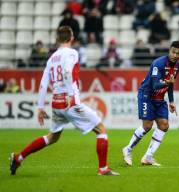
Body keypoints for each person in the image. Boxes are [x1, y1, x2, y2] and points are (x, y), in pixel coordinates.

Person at [9, 26, 119, 176]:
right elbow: (67, 71)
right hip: (70, 102)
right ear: (71, 38)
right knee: (101, 129)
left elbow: (43, 83)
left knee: (52, 137)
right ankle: (103, 168)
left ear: (57, 39)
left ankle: (18, 157)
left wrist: (40, 107)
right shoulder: (72, 53)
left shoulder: (52, 58)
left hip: (56, 104)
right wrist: (69, 94)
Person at [122, 41, 179, 166]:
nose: (175, 55)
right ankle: (127, 150)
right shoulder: (158, 64)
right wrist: (168, 82)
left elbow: (170, 84)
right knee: (147, 126)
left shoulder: (177, 66)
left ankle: (148, 157)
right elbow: (156, 84)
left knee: (164, 125)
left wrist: (171, 101)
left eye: (178, 53)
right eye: (173, 52)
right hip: (147, 95)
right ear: (169, 50)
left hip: (160, 98)